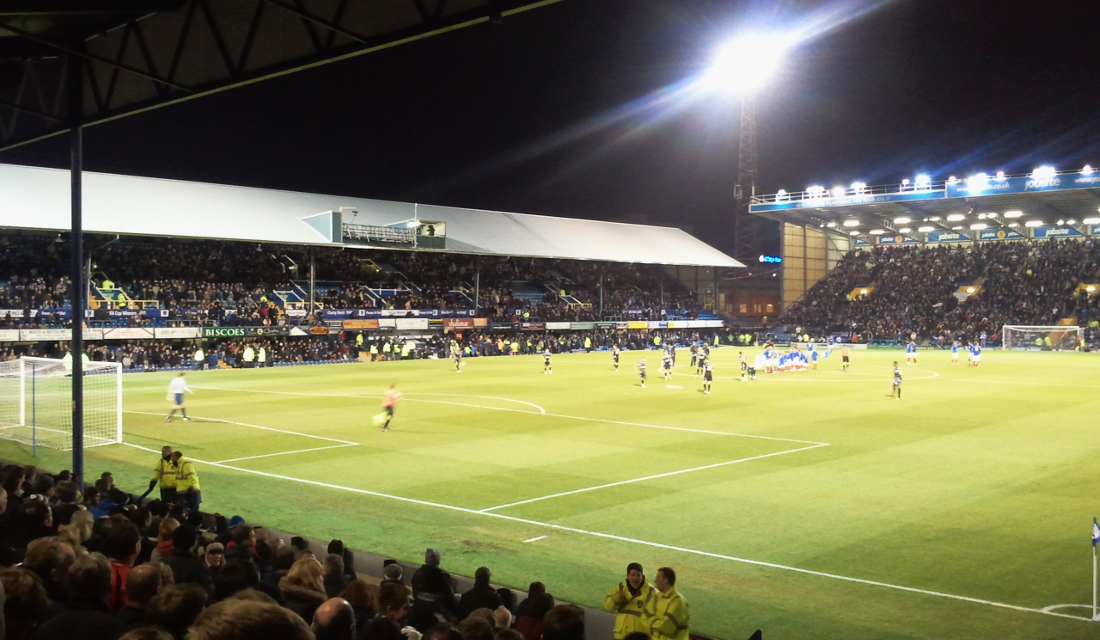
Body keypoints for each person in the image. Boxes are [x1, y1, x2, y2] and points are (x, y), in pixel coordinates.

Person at [603, 562, 655, 640]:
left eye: (638, 575)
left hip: (640, 637)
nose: (636, 578)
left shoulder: (651, 591)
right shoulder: (620, 588)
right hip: (622, 635)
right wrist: (618, 597)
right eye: (633, 575)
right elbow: (608, 608)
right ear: (628, 576)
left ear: (642, 575)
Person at [647, 567, 688, 640]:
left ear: (665, 580)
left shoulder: (678, 602)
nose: (655, 581)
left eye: (658, 578)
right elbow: (645, 616)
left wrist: (648, 621)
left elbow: (666, 626)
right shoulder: (658, 597)